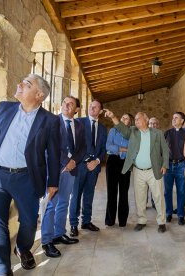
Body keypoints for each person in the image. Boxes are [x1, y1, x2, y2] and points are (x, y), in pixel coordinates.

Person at [0, 74, 60, 275]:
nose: (19, 84)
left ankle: (22, 248)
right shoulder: (4, 108)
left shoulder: (49, 120)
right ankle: (1, 271)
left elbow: (54, 154)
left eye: (27, 84)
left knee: (30, 222)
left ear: (39, 95)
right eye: (21, 80)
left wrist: (53, 182)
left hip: (26, 178)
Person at [104, 109, 169, 233]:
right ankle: (141, 221)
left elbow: (165, 150)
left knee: (158, 196)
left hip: (153, 170)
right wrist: (113, 116)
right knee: (139, 197)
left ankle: (161, 222)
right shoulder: (133, 132)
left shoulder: (157, 133)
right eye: (136, 119)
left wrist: (165, 165)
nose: (136, 120)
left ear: (146, 120)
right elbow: (121, 128)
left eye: (138, 118)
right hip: (138, 171)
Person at [41, 96, 85, 258]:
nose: (67, 105)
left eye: (71, 104)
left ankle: (58, 234)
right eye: (64, 103)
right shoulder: (52, 121)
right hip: (54, 169)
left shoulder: (79, 125)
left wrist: (74, 161)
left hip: (71, 170)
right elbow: (50, 145)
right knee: (50, 204)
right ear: (61, 105)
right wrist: (67, 161)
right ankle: (46, 241)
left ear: (77, 109)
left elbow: (82, 147)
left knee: (64, 203)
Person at [69, 100, 107, 235]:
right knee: (76, 195)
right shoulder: (78, 122)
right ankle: (73, 224)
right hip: (80, 166)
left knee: (89, 195)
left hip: (94, 168)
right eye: (91, 105)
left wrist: (96, 161)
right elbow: (74, 144)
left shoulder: (102, 128)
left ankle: (86, 222)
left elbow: (103, 149)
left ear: (100, 111)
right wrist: (83, 161)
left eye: (96, 106)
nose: (92, 107)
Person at [105, 113, 134, 227]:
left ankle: (123, 221)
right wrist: (123, 148)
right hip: (112, 161)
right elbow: (108, 146)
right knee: (111, 192)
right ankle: (110, 220)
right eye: (122, 117)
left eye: (126, 118)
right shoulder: (113, 131)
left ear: (130, 122)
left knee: (124, 192)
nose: (123, 119)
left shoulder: (132, 133)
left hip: (125, 163)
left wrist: (118, 149)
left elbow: (132, 147)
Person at [164, 112, 185, 225]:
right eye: (173, 118)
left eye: (176, 118)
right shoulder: (167, 133)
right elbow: (162, 150)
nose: (173, 119)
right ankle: (168, 213)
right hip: (168, 165)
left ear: (182, 120)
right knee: (167, 191)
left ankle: (181, 215)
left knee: (181, 191)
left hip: (181, 165)